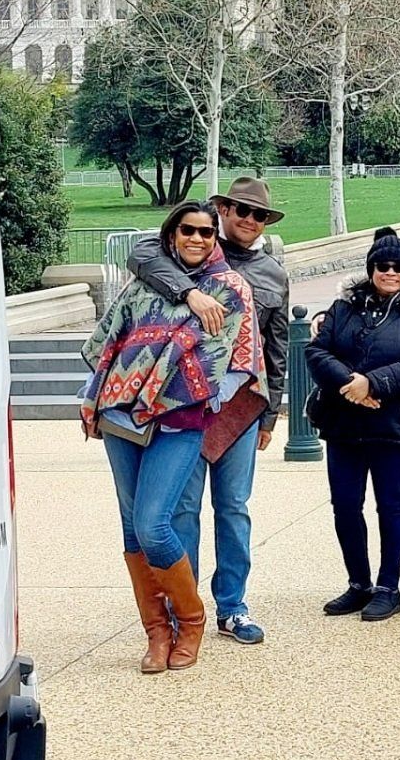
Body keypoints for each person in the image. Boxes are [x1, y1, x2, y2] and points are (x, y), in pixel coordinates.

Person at [80, 201, 263, 674]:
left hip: (179, 421)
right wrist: (94, 397)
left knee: (154, 524)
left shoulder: (229, 288)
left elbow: (223, 359)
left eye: (206, 232)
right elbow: (110, 342)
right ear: (172, 234)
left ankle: (192, 619)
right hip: (121, 418)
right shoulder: (145, 283)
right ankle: (157, 632)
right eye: (187, 230)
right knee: (130, 528)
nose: (197, 239)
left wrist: (171, 394)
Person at [128, 176, 289, 647]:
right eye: (240, 209)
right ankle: (185, 606)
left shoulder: (273, 275)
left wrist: (270, 414)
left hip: (238, 406)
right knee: (181, 511)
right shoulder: (190, 249)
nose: (248, 220)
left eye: (258, 214)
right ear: (221, 209)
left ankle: (233, 605)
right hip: (183, 405)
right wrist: (189, 292)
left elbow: (275, 350)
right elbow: (141, 253)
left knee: (233, 508)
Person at [307, 230, 400, 621]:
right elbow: (317, 350)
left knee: (391, 506)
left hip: (395, 425)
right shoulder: (343, 308)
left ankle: (388, 586)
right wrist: (350, 385)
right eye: (382, 265)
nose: (390, 272)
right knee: (346, 505)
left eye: (398, 266)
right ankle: (358, 583)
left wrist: (374, 383)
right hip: (344, 423)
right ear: (370, 269)